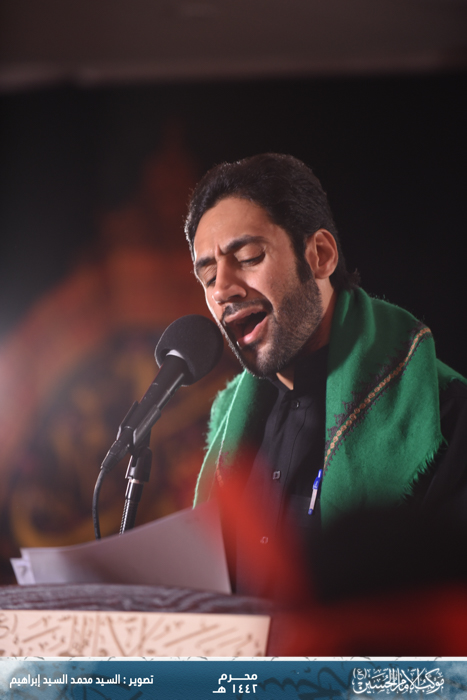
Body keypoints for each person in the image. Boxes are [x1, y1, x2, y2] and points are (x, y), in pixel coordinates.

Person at [184, 153, 467, 600]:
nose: (222, 289)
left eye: (249, 257)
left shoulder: (443, 414)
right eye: (208, 275)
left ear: (320, 255)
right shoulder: (228, 426)